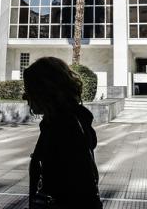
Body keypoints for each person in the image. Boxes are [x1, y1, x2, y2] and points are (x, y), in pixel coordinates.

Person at [23, 57, 102, 208]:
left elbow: (76, 187)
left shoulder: (64, 127)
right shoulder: (62, 122)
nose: (25, 96)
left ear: (45, 90)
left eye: (29, 89)